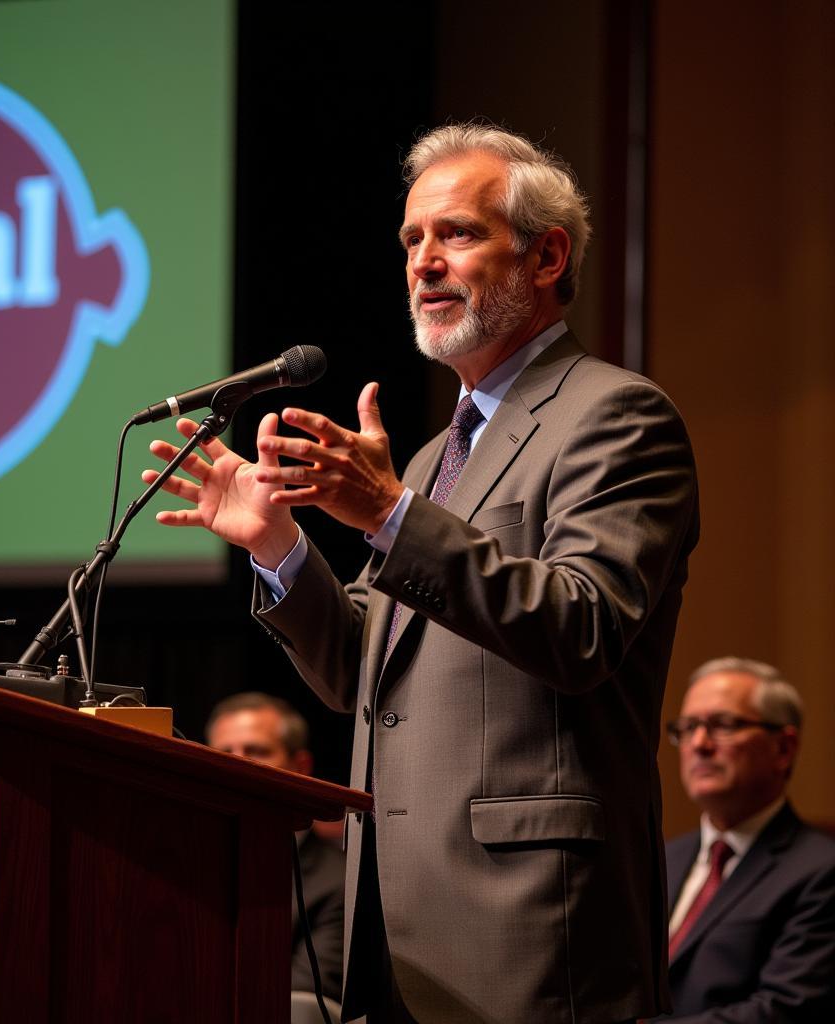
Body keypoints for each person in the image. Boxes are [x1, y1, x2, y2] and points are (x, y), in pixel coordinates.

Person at [144, 121, 699, 1023]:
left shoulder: (618, 416)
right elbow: (364, 671)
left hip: (529, 932)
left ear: (547, 255)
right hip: (393, 934)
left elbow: (584, 625)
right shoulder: (444, 451)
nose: (424, 262)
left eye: (458, 234)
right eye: (411, 241)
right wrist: (279, 547)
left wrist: (388, 515)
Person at [659, 657, 835, 1022]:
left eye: (723, 725)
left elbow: (785, 1010)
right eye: (688, 727)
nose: (699, 743)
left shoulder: (822, 870)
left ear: (783, 749)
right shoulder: (662, 858)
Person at [205, 692, 346, 1003]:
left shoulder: (337, 883)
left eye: (256, 751)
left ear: (301, 765)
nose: (236, 764)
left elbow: (305, 998)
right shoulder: (186, 862)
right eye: (223, 752)